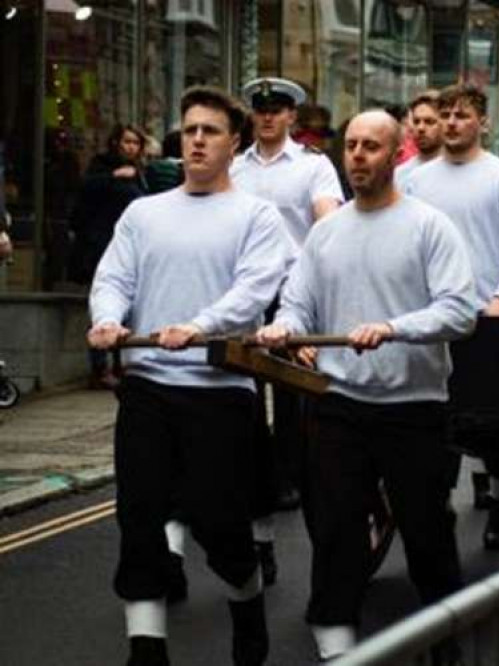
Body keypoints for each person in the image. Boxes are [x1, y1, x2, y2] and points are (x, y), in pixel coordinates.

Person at [256, 110, 476, 663]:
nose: (357, 156)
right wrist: (286, 327)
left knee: (427, 534)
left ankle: (443, 639)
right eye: (350, 146)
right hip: (341, 404)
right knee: (335, 531)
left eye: (370, 147)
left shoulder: (429, 226)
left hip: (414, 407)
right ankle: (335, 643)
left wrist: (395, 327)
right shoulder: (326, 232)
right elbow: (298, 300)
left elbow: (459, 311)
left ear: (395, 154)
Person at [87, 85, 290, 666]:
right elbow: (114, 278)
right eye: (190, 130)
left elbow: (255, 288)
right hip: (148, 386)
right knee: (140, 519)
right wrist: (107, 319)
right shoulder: (143, 212)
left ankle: (247, 610)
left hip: (219, 389)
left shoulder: (256, 215)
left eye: (211, 131)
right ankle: (146, 650)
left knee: (219, 524)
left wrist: (200, 325)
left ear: (235, 143)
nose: (197, 140)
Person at [404, 83, 499, 551]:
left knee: (492, 419)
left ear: (482, 122)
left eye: (462, 115)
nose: (451, 123)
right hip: (429, 318)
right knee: (433, 417)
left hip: (488, 313)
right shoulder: (415, 181)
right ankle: (436, 502)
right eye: (445, 114)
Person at [226, 76, 345, 589]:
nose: (268, 117)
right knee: (244, 384)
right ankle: (258, 470)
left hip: (292, 284)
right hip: (243, 287)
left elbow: (327, 220)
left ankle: (291, 474)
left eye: (277, 110)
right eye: (260, 110)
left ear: (292, 117)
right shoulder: (234, 167)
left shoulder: (314, 166)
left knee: (291, 385)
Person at [69, 123, 149, 390]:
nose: (130, 147)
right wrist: (114, 176)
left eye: (135, 143)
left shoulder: (140, 173)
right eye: (126, 142)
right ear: (116, 142)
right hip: (101, 245)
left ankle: (119, 363)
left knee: (128, 307)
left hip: (131, 248)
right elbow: (85, 195)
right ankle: (99, 366)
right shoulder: (102, 167)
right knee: (104, 304)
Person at [395, 91, 444, 188]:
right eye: (416, 122)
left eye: (429, 122)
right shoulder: (399, 175)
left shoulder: (460, 170)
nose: (420, 128)